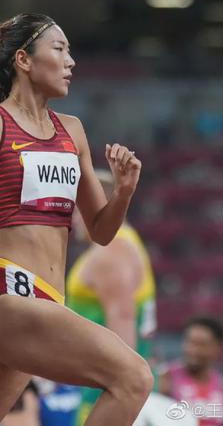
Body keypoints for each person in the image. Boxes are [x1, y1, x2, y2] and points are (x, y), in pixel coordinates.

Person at [0, 13, 153, 426]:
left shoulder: (72, 130)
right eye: (59, 49)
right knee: (134, 378)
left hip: (45, 304)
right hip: (9, 298)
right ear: (23, 59)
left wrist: (124, 191)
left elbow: (101, 231)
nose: (71, 61)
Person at [66, 169, 157, 425]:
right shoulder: (125, 242)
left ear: (98, 205)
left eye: (77, 209)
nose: (72, 219)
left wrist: (124, 390)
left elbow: (123, 320)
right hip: (102, 380)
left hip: (103, 387)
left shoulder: (111, 252)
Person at [158, 317, 223, 426]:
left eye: (201, 345)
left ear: (217, 348)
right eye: (190, 342)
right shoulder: (166, 379)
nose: (193, 350)